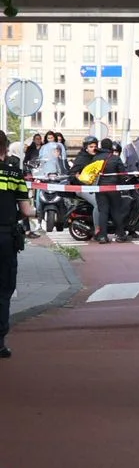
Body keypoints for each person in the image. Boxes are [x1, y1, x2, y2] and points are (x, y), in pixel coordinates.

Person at [0, 135, 33, 358]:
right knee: (3, 290)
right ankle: (0, 343)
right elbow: (26, 211)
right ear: (4, 149)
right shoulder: (13, 173)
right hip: (4, 237)